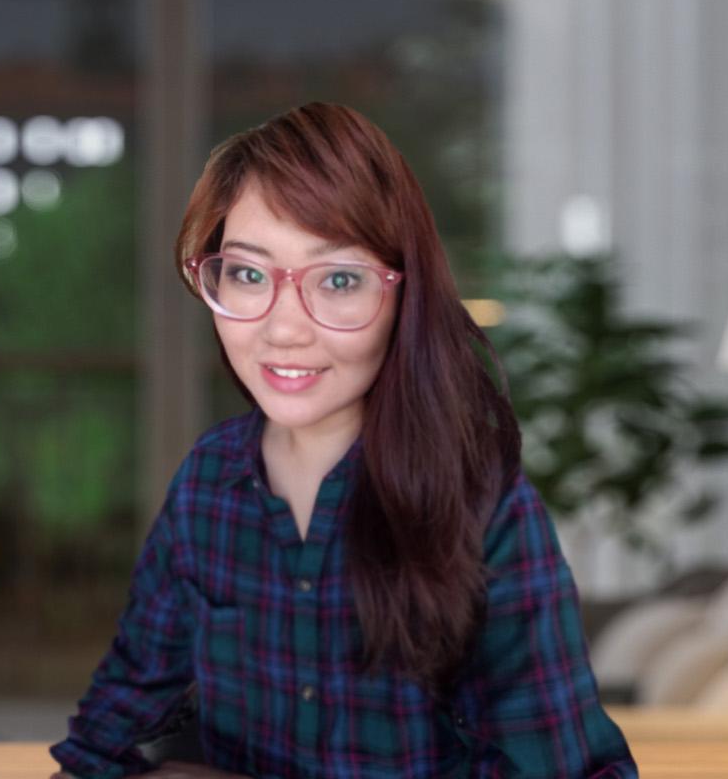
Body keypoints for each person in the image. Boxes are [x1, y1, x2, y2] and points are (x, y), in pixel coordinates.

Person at [50, 102, 636, 779]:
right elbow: (117, 717)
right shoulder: (209, 482)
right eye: (246, 273)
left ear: (402, 295)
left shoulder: (479, 501)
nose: (285, 328)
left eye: (338, 280)